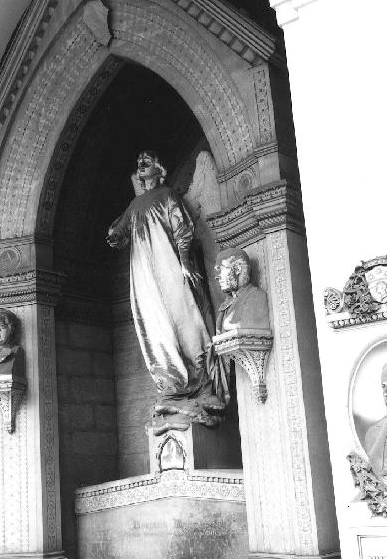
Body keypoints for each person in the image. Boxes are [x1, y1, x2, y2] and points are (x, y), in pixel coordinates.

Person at [107, 150, 226, 417]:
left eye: (146, 162)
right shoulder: (136, 204)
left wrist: (184, 261)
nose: (140, 165)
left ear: (159, 169)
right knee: (157, 328)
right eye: (138, 162)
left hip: (168, 267)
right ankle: (173, 387)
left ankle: (200, 384)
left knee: (184, 320)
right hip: (145, 275)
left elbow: (183, 229)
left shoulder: (167, 196)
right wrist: (114, 234)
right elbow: (120, 232)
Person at [214, 247, 270, 333]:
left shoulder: (256, 296)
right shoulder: (226, 304)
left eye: (221, 269)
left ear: (237, 269)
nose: (217, 277)